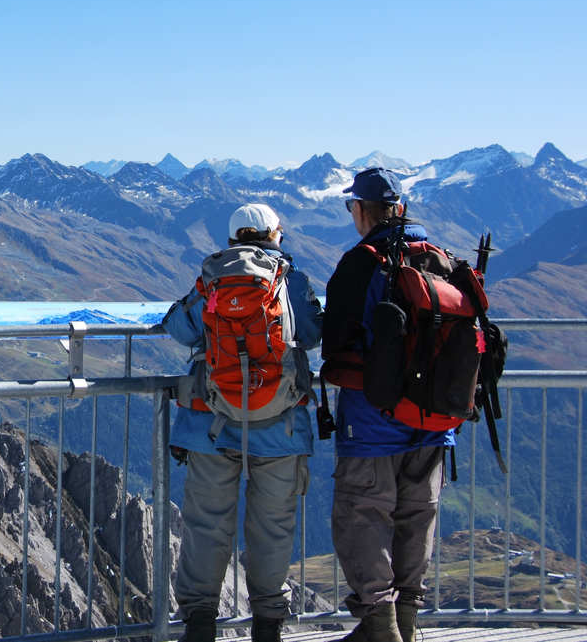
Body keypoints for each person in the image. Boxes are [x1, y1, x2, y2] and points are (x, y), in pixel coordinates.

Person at [162, 203, 323, 642]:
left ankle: (198, 623)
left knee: (206, 525)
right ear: (275, 236)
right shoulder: (291, 280)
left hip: (210, 426)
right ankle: (268, 624)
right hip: (281, 426)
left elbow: (178, 327)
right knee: (271, 528)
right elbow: (310, 333)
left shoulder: (213, 280)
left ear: (232, 239)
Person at [320, 167, 453, 642]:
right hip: (434, 419)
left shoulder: (362, 261)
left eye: (350, 207)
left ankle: (379, 624)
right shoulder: (439, 257)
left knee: (364, 516)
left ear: (362, 209)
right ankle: (408, 620)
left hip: (372, 418)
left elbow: (334, 338)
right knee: (417, 517)